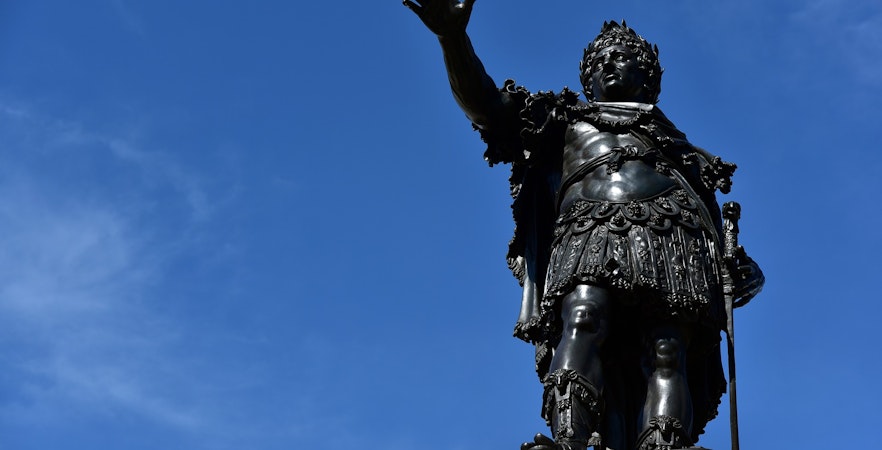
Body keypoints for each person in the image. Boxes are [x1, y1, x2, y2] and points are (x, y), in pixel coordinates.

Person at [404, 2, 763, 449]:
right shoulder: (563, 121)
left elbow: (714, 227)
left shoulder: (686, 155)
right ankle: (570, 439)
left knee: (667, 349)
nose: (608, 64)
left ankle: (665, 444)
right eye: (598, 61)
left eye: (621, 56)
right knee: (583, 317)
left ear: (649, 73)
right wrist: (452, 39)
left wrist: (742, 270)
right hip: (590, 230)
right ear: (586, 79)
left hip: (673, 238)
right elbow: (486, 107)